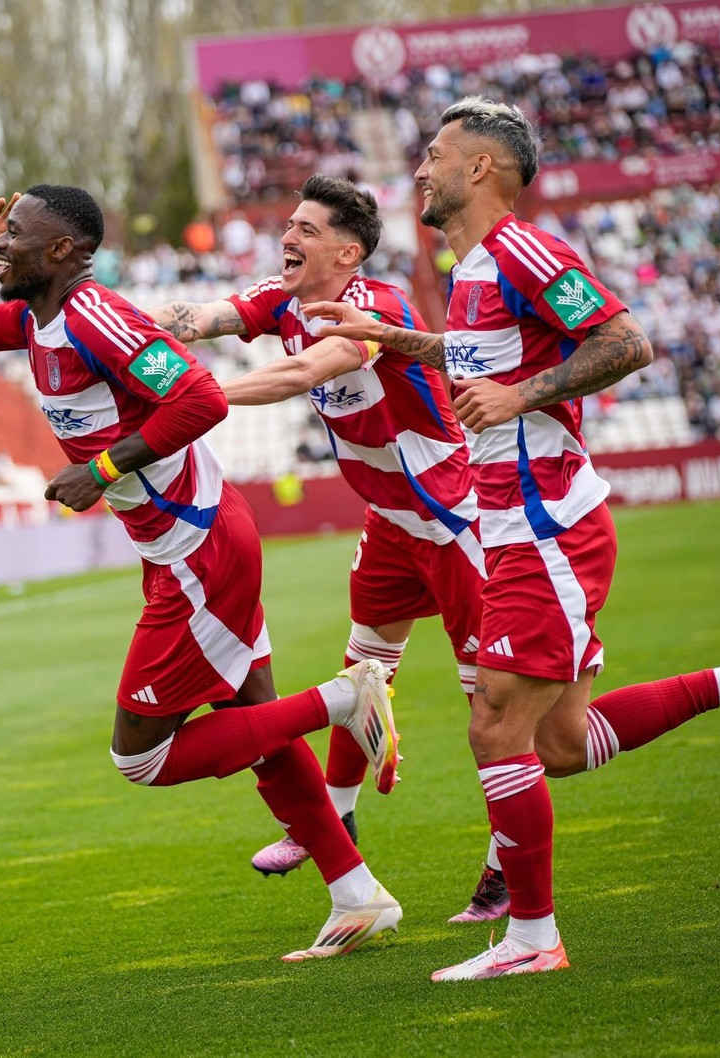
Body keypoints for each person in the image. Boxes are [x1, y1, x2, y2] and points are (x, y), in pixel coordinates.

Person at [304, 97, 720, 981]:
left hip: (544, 524)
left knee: (495, 728)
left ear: (480, 169)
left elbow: (629, 342)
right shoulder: (473, 268)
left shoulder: (526, 248)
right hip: (516, 525)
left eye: (435, 155)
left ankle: (532, 938)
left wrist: (522, 396)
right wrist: (393, 338)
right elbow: (477, 357)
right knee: (555, 744)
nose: (420, 169)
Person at [0, 184, 403, 961]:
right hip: (191, 544)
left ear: (61, 251)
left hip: (198, 552)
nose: (2, 247)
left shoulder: (93, 316)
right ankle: (358, 897)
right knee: (261, 733)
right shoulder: (38, 316)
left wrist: (100, 467)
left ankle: (343, 696)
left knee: (141, 757)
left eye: (14, 235)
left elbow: (199, 398)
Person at [151, 174, 508, 924]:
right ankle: (332, 825)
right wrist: (113, 333)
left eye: (307, 230)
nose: (288, 236)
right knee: (363, 676)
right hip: (388, 526)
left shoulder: (375, 308)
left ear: (348, 253)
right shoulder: (279, 299)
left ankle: (505, 865)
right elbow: (197, 317)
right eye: (290, 224)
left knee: (494, 714)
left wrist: (193, 401)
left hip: (451, 523)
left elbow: (304, 372)